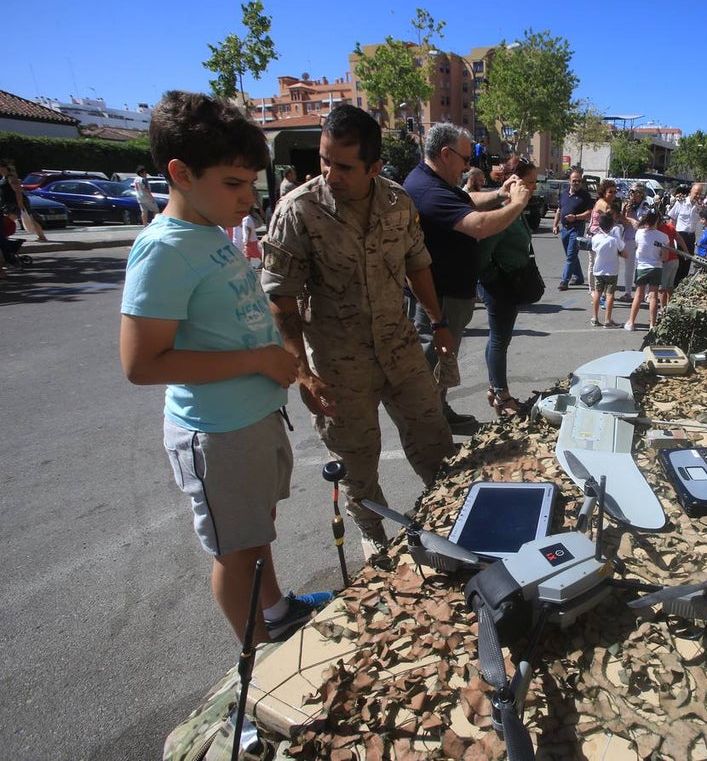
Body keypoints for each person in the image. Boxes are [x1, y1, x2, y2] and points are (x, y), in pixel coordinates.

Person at [119, 90, 331, 644]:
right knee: (235, 552)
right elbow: (141, 363)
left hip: (252, 419)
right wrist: (258, 359)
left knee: (256, 532)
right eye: (233, 183)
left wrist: (281, 363)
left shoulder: (208, 229)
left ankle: (276, 610)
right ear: (181, 174)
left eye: (251, 183)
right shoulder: (164, 248)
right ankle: (255, 663)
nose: (248, 198)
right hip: (217, 432)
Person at [261, 104, 456, 551]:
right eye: (324, 160)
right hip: (338, 366)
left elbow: (417, 264)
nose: (329, 173)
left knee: (436, 444)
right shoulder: (298, 210)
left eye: (344, 166)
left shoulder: (397, 202)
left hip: (400, 349)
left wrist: (439, 320)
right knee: (356, 466)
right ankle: (378, 548)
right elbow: (281, 296)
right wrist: (303, 372)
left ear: (374, 167)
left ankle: (453, 524)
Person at [403, 123, 532, 434]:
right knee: (434, 361)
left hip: (449, 294)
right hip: (439, 297)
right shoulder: (428, 190)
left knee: (444, 360)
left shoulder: (437, 183)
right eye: (465, 159)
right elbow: (479, 225)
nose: (468, 166)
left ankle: (440, 411)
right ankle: (430, 428)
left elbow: (466, 201)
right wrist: (517, 203)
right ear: (446, 154)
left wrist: (499, 194)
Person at [474, 158, 539, 416]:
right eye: (530, 182)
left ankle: (494, 389)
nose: (533, 187)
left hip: (510, 283)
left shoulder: (516, 208)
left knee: (498, 338)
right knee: (500, 340)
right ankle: (502, 395)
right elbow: (481, 256)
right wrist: (494, 279)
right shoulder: (503, 212)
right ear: (513, 181)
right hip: (500, 286)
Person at [552, 168, 595, 290]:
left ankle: (564, 281)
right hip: (565, 229)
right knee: (570, 254)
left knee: (571, 255)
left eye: (579, 181)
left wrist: (575, 217)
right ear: (569, 181)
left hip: (577, 228)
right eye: (574, 180)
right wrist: (555, 225)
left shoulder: (585, 195)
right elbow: (559, 210)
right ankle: (579, 277)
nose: (577, 183)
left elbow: (590, 213)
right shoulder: (564, 194)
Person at [624, 211, 663, 331]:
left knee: (638, 295)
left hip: (641, 267)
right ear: (657, 221)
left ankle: (631, 322)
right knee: (653, 296)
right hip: (656, 267)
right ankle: (652, 325)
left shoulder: (639, 233)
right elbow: (665, 257)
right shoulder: (663, 236)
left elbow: (638, 246)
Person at [589, 210, 625, 327]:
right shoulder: (615, 240)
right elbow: (625, 253)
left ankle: (594, 317)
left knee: (597, 293)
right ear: (612, 225)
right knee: (610, 294)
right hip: (611, 271)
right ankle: (607, 320)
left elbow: (594, 250)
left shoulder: (595, 238)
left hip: (598, 270)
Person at [619, 184, 651, 302]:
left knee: (642, 267)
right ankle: (628, 292)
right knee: (629, 267)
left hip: (642, 240)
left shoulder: (646, 206)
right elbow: (624, 223)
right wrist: (626, 214)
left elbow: (642, 224)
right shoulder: (628, 205)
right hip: (628, 238)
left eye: (633, 191)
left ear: (640, 193)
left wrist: (631, 219)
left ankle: (645, 294)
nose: (631, 194)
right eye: (630, 191)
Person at [2, 162, 48, 241]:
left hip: (16, 202)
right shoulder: (3, 178)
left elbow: (18, 191)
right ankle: (41, 236)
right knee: (12, 219)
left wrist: (20, 202)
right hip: (8, 202)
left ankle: (41, 236)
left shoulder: (11, 177)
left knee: (24, 218)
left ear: (3, 167)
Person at [669, 183, 702, 282]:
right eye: (696, 193)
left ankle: (682, 284)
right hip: (680, 235)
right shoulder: (681, 203)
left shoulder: (698, 207)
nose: (698, 196)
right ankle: (674, 284)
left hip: (691, 237)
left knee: (687, 262)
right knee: (678, 263)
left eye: (700, 194)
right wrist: (672, 236)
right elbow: (672, 220)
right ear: (690, 192)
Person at [657, 213, 688, 310]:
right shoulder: (670, 227)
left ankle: (663, 309)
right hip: (675, 259)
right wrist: (686, 252)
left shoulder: (657, 230)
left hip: (666, 260)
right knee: (670, 285)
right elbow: (679, 239)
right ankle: (670, 306)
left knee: (662, 287)